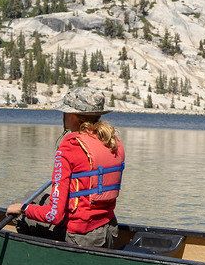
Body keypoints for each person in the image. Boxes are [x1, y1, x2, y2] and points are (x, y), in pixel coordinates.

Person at [7, 86, 125, 248]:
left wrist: (23, 209)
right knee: (32, 197)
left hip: (81, 238)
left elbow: (53, 215)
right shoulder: (112, 141)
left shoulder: (71, 146)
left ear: (72, 115)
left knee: (20, 208)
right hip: (109, 231)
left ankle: (35, 255)